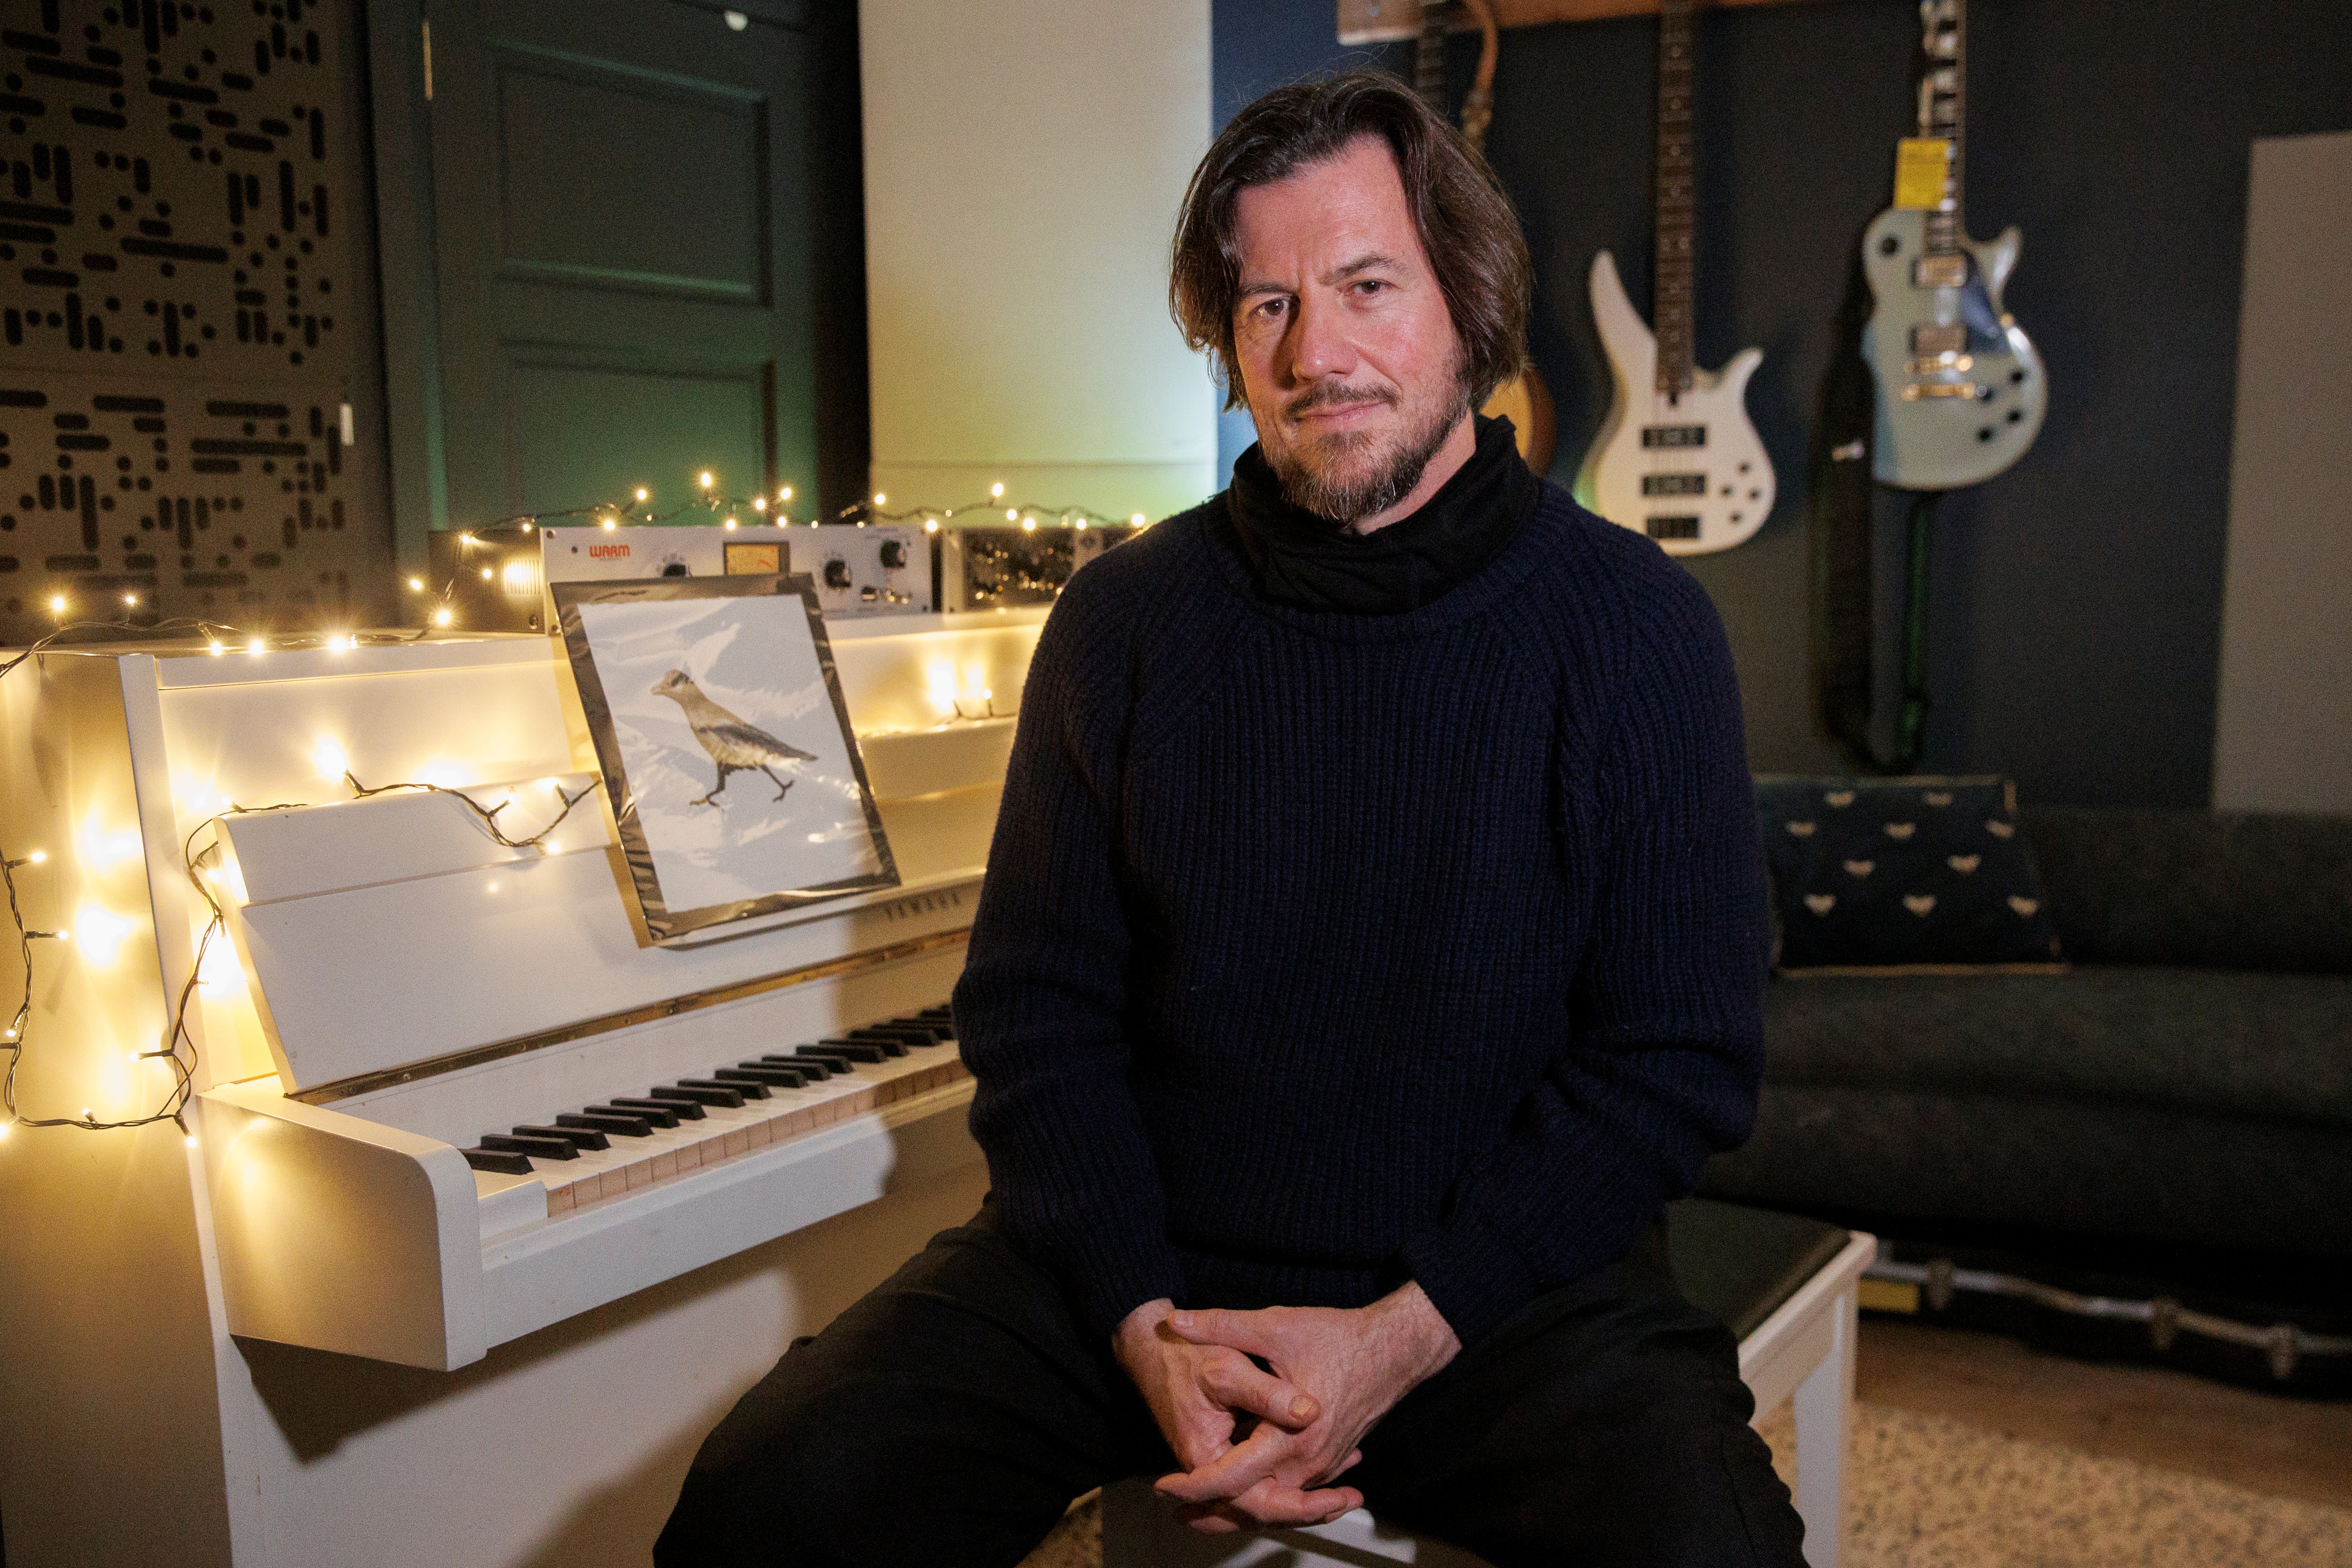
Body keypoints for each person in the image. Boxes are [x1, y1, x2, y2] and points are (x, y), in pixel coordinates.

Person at [656, 71, 1799, 1568]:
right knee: (775, 1496)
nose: (1314, 353)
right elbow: (1037, 1014)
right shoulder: (1126, 619)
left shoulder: (1637, 628)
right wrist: (1140, 1325)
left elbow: (1676, 1059)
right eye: (1265, 307)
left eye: (1366, 286)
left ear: (1469, 299)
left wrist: (1398, 1338)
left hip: (1498, 1301)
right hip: (1143, 1290)